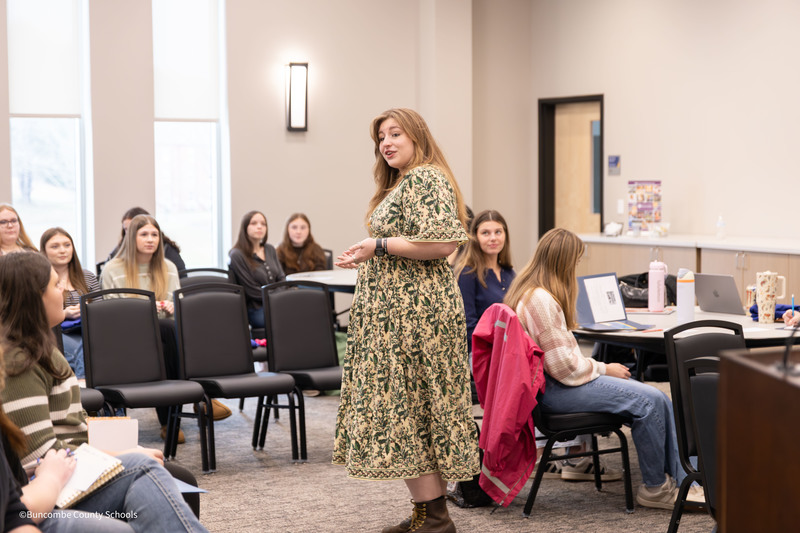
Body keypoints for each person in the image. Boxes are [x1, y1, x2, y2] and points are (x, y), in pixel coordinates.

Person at [332, 108, 479, 533]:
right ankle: (429, 516)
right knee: (409, 415)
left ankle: (434, 519)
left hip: (416, 321)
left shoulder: (426, 177)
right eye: (381, 137)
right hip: (399, 316)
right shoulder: (403, 183)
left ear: (418, 137)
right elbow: (409, 246)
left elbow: (443, 243)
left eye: (396, 133)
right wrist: (371, 257)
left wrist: (377, 245)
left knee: (411, 412)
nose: (387, 142)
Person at [0, 251, 208, 532]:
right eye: (55, 284)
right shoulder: (19, 362)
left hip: (71, 467)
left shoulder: (41, 350)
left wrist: (125, 448)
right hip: (50, 486)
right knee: (146, 469)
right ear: (34, 298)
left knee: (172, 474)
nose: (64, 290)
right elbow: (39, 456)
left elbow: (75, 429)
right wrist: (120, 454)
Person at [504, 228, 700, 509]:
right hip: (557, 390)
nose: (576, 267)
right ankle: (657, 488)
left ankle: (685, 483)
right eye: (575, 261)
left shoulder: (530, 292)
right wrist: (604, 368)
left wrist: (598, 369)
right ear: (564, 261)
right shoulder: (542, 301)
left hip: (553, 386)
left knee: (658, 399)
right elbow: (564, 367)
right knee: (650, 400)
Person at [101, 214, 231, 439]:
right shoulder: (113, 269)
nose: (150, 239)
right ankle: (197, 396)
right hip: (127, 338)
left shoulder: (168, 267)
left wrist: (171, 307)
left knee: (170, 332)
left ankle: (170, 425)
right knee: (168, 331)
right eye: (144, 234)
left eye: (154, 235)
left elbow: (173, 307)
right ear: (132, 238)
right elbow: (114, 314)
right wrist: (153, 309)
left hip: (163, 337)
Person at [40, 228, 100, 380]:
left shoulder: (87, 276)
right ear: (44, 251)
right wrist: (65, 313)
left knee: (95, 340)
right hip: (58, 331)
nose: (62, 250)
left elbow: (101, 308)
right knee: (81, 347)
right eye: (55, 246)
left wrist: (87, 310)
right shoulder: (41, 280)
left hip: (88, 328)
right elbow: (39, 315)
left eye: (67, 245)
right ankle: (82, 385)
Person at [453, 209, 515, 353]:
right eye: (485, 233)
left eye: (498, 232)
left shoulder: (510, 273)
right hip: (481, 354)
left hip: (510, 350)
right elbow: (468, 326)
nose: (493, 238)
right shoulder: (467, 274)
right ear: (475, 237)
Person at [227, 211, 285, 330]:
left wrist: (279, 298)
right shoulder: (237, 255)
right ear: (245, 227)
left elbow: (282, 278)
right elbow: (252, 291)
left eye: (263, 224)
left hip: (278, 303)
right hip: (257, 309)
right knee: (289, 318)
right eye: (254, 223)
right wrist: (278, 296)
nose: (259, 227)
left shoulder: (269, 249)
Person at [106, 207, 186, 276]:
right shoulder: (112, 266)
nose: (129, 233)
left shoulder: (168, 254)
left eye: (133, 228)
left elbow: (182, 278)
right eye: (126, 229)